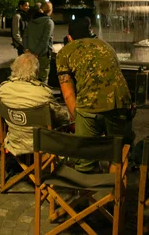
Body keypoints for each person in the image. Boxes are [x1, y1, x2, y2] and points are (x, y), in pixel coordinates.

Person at [56, 18, 134, 173]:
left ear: (70, 37)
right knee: (117, 155)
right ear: (90, 33)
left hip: (89, 105)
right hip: (120, 103)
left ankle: (87, 192)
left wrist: (77, 119)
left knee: (86, 157)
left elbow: (68, 94)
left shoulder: (65, 52)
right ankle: (115, 194)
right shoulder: (106, 46)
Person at [0, 53, 70, 156]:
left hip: (15, 142)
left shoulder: (3, 90)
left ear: (14, 68)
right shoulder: (43, 93)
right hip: (41, 145)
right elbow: (62, 118)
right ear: (36, 71)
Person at [23, 1, 54, 83]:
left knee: (30, 76)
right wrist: (36, 53)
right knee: (43, 77)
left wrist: (26, 49)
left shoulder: (32, 21)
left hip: (29, 52)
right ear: (50, 11)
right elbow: (45, 40)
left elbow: (25, 36)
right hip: (43, 54)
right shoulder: (49, 22)